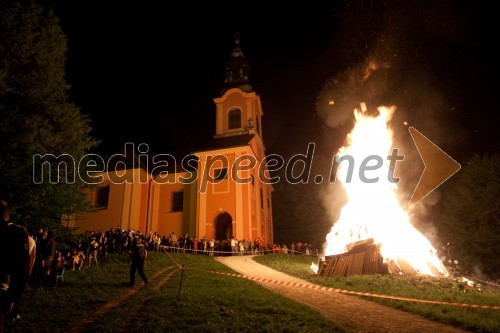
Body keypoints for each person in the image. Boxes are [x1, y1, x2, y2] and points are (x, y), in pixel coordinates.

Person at [0, 199, 35, 332]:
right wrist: (13, 297)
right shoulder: (18, 232)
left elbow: (22, 269)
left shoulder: (16, 233)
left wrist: (12, 297)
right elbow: (23, 270)